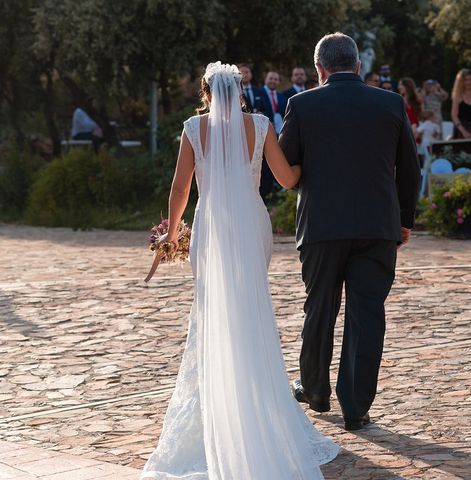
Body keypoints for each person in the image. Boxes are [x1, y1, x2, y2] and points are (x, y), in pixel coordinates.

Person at [141, 62, 340, 479]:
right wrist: (312, 165)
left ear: (207, 94)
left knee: (214, 318)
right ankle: (258, 411)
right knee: (251, 314)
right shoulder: (262, 124)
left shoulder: (194, 129)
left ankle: (221, 411)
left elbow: (180, 188)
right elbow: (286, 179)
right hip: (250, 225)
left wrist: (172, 235)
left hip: (211, 228)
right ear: (240, 92)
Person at [279, 33, 420, 432]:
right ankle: (356, 407)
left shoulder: (301, 105)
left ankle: (315, 389)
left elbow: (288, 168)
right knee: (367, 314)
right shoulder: (390, 103)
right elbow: (410, 169)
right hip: (377, 226)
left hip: (322, 226)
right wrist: (404, 220)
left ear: (319, 69)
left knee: (319, 306)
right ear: (358, 66)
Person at [255, 71, 287, 200]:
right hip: (262, 133)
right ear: (265, 79)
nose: (273, 81)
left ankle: (275, 193)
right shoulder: (258, 93)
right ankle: (264, 193)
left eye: (276, 79)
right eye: (271, 78)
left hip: (279, 133)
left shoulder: (282, 97)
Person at [451, 69, 471, 139]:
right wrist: (464, 132)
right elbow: (454, 115)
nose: (468, 82)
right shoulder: (457, 96)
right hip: (460, 131)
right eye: (466, 80)